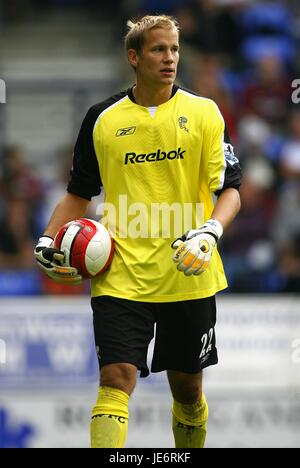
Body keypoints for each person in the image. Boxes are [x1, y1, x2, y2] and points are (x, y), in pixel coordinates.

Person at [34, 15, 241, 448]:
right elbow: (79, 193)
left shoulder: (204, 113)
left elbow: (231, 191)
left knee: (188, 391)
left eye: (174, 50)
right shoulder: (102, 118)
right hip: (119, 272)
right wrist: (48, 238)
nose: (169, 59)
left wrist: (210, 232)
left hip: (188, 269)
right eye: (158, 50)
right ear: (134, 57)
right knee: (115, 377)